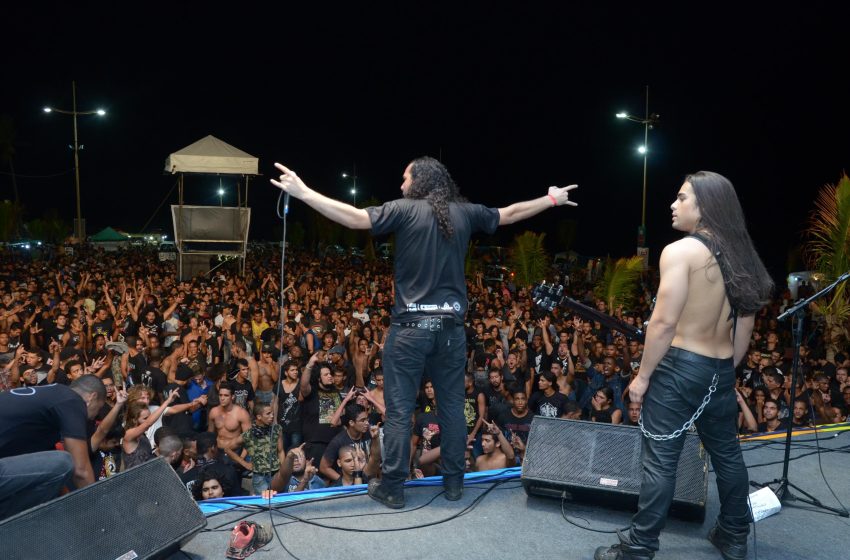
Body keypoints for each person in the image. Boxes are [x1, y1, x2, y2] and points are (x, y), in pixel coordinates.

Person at [272, 156, 576, 508]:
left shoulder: (404, 209)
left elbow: (356, 218)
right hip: (450, 331)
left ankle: (394, 488)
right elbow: (508, 213)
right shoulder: (464, 212)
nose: (401, 184)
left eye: (405, 178)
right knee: (451, 408)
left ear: (419, 181)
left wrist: (304, 192)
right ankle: (453, 484)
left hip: (410, 331)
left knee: (400, 412)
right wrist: (550, 200)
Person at [595, 171, 773, 560]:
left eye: (681, 198)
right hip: (719, 367)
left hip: (679, 368)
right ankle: (733, 536)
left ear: (704, 206)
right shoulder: (743, 257)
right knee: (727, 454)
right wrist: (725, 368)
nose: (672, 205)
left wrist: (642, 378)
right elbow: (745, 326)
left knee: (660, 461)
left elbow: (663, 322)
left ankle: (639, 549)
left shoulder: (680, 252)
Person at [0, 376, 106, 519]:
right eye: (98, 409)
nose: (93, 418)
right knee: (65, 461)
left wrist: (68, 502)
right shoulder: (72, 400)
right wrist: (100, 512)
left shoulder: (51, 400)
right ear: (91, 397)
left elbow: (52, 475)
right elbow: (80, 471)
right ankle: (10, 524)